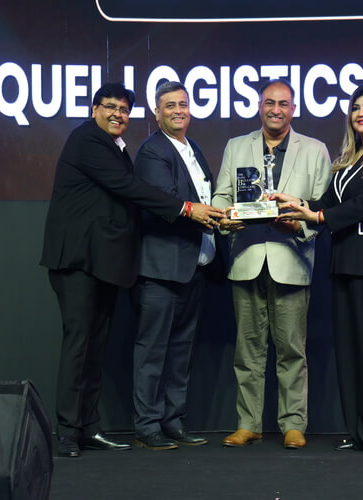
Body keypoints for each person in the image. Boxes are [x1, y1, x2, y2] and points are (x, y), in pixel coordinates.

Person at [40, 82, 224, 458]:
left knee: (95, 349)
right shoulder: (87, 140)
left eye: (123, 110)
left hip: (103, 263)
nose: (117, 115)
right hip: (77, 261)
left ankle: (89, 428)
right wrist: (186, 208)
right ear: (94, 109)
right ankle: (67, 432)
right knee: (79, 346)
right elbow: (128, 187)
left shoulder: (117, 146)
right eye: (110, 107)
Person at [274, 83, 363, 454]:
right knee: (351, 352)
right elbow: (327, 203)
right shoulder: (348, 158)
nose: (360, 113)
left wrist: (318, 216)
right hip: (346, 262)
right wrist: (297, 204)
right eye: (355, 108)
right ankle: (359, 431)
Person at [212, 79, 332, 449]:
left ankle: (293, 424)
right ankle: (248, 423)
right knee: (247, 350)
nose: (275, 109)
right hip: (246, 259)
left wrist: (299, 225)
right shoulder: (236, 146)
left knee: (292, 350)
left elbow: (323, 208)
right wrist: (226, 219)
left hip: (291, 260)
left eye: (283, 104)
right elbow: (221, 196)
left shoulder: (314, 150)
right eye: (269, 102)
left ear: (293, 109)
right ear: (259, 106)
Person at [131, 81, 224, 450]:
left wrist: (224, 219)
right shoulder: (152, 150)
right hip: (161, 270)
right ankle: (147, 426)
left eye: (183, 104)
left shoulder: (193, 148)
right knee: (152, 351)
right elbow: (165, 201)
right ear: (157, 113)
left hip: (194, 267)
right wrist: (202, 213)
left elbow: (205, 200)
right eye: (169, 105)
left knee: (181, 351)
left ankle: (173, 421)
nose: (178, 111)